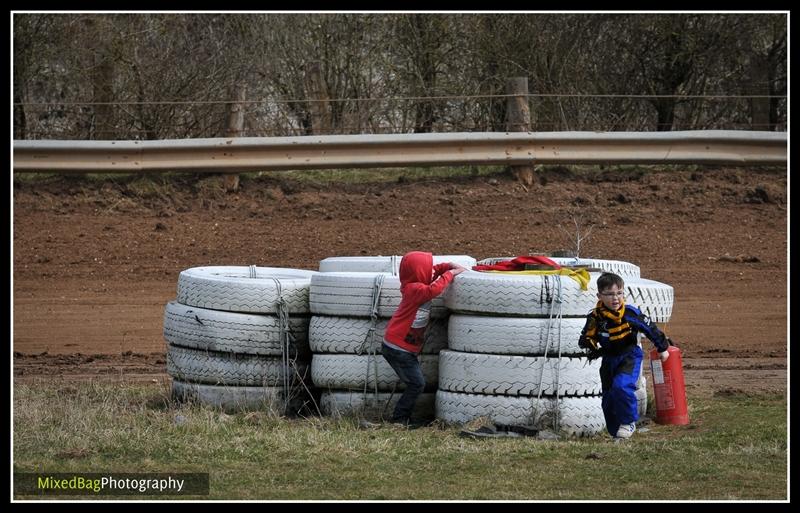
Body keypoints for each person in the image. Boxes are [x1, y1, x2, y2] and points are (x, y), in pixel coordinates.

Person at [578, 272, 673, 440]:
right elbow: (587, 336)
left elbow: (650, 328)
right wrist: (588, 344)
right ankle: (617, 434)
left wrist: (662, 347)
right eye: (610, 294)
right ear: (599, 295)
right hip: (608, 360)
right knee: (608, 398)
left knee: (621, 387)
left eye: (619, 293)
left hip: (629, 356)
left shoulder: (630, 313)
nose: (615, 298)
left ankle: (628, 422)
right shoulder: (594, 317)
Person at [382, 251, 467, 427]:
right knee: (417, 384)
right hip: (398, 348)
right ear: (418, 272)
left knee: (415, 383)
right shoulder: (415, 289)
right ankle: (399, 419)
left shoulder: (416, 281)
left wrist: (447, 266)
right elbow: (434, 289)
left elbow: (434, 271)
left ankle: (403, 418)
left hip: (402, 347)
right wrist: (451, 273)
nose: (430, 272)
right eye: (426, 269)